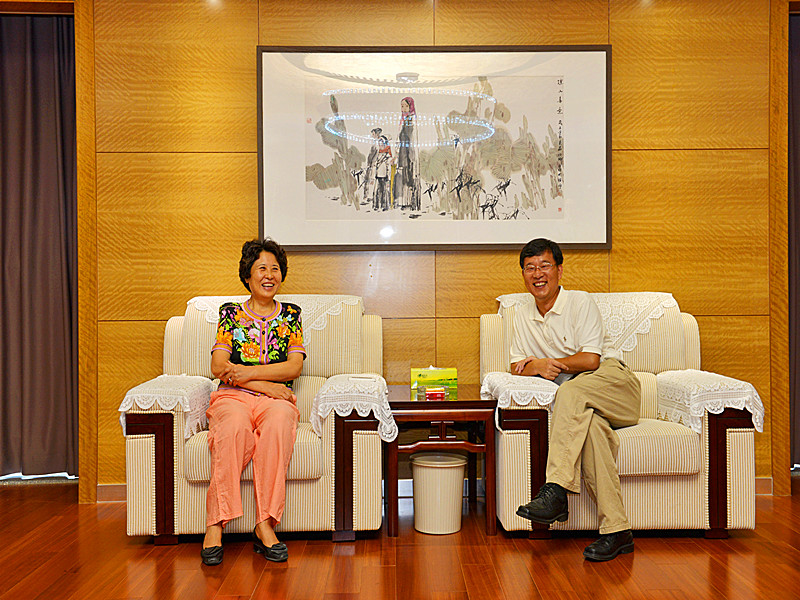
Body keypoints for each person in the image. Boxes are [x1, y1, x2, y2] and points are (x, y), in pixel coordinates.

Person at [510, 238, 641, 561]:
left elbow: (592, 360)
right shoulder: (522, 315)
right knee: (591, 431)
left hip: (616, 385)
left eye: (545, 266)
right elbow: (517, 366)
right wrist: (538, 366)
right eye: (530, 268)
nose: (537, 274)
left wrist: (551, 364)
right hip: (584, 402)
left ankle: (555, 490)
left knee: (568, 391)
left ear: (559, 270)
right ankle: (618, 531)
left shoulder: (580, 302)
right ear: (523, 274)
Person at [200, 238, 305, 566]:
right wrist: (264, 385)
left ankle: (265, 524)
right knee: (232, 428)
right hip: (234, 397)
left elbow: (294, 367)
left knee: (278, 425)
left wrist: (247, 373)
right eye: (261, 268)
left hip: (276, 401)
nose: (269, 275)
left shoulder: (291, 315)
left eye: (275, 268)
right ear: (248, 275)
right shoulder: (230, 314)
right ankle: (216, 523)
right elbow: (219, 366)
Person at [393, 96, 421, 211]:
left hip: (409, 153)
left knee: (409, 178)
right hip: (403, 153)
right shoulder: (403, 120)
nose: (403, 108)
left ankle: (410, 202)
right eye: (402, 106)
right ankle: (404, 202)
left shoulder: (411, 120)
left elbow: (413, 138)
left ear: (410, 106)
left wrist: (412, 156)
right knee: (403, 177)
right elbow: (399, 138)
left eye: (405, 106)